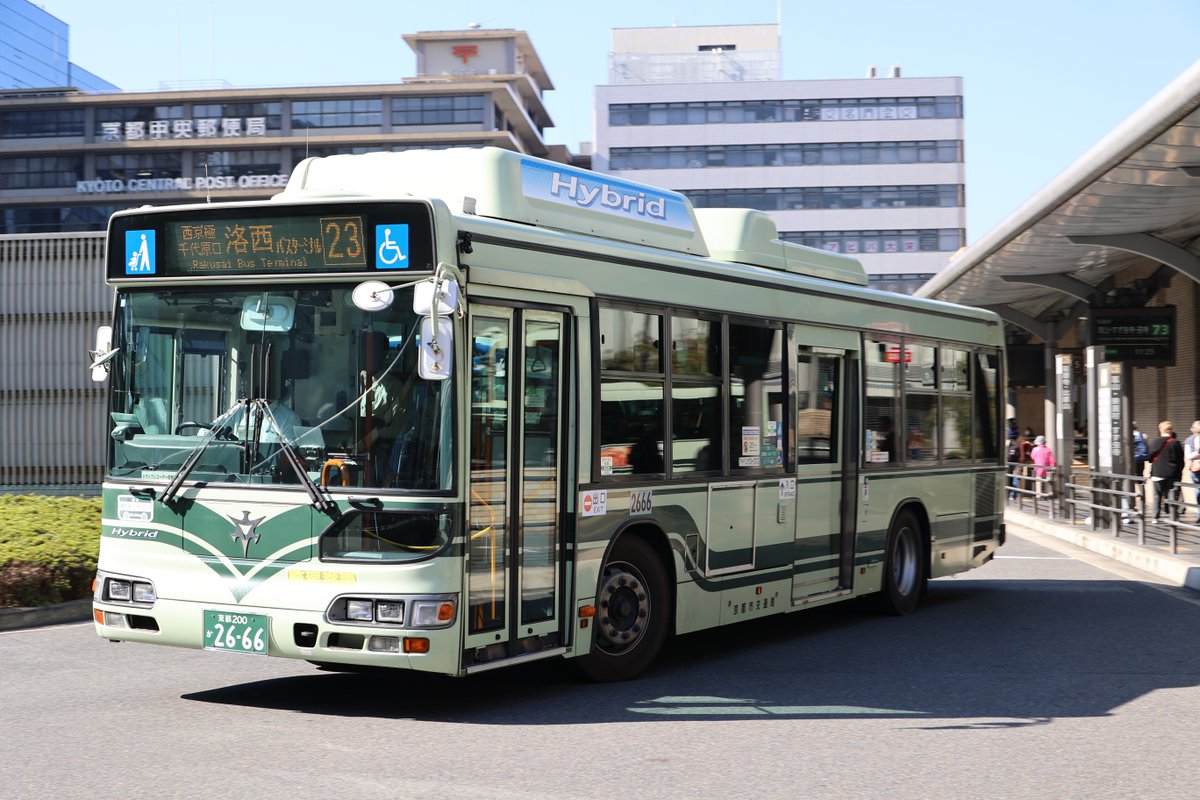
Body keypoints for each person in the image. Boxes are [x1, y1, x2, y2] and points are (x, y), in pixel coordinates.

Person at [1148, 420, 1184, 521]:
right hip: (1172, 474)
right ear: (1171, 430)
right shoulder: (1176, 443)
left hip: (1157, 472)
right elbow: (1181, 459)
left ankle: (1155, 517)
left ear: (1160, 430)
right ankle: (1173, 517)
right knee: (1172, 496)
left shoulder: (1155, 442)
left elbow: (1149, 457)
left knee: (1157, 496)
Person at [1184, 420, 1200, 522]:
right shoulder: (1189, 440)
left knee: (1198, 491)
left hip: (1195, 468)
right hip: (1196, 469)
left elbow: (1188, 456)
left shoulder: (1189, 440)